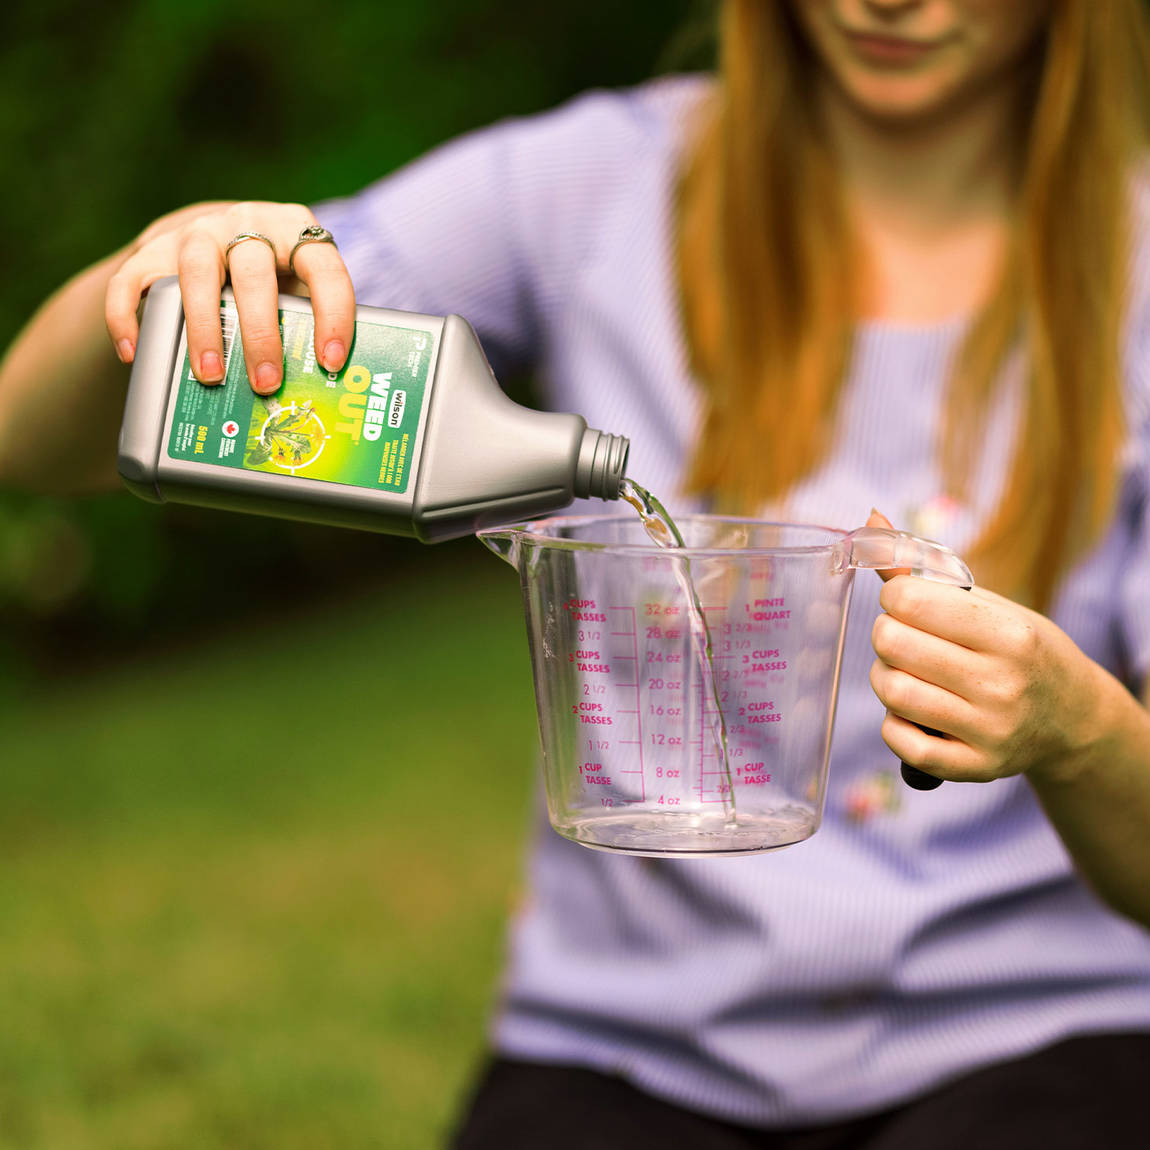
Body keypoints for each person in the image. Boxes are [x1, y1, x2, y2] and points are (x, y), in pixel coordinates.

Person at [2, 1, 1150, 1145]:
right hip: (623, 1053)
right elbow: (29, 438)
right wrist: (178, 269)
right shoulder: (589, 188)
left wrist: (1083, 728)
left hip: (1042, 1037)